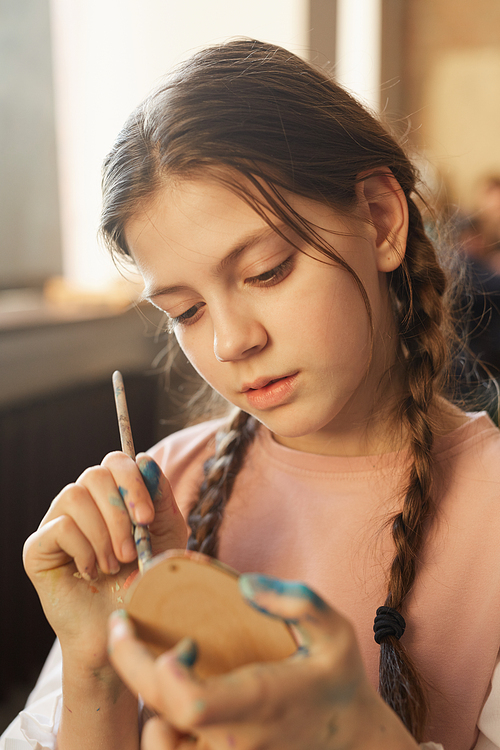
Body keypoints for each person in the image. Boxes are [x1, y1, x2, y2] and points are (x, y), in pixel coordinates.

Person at [2, 38, 500, 750]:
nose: (231, 342)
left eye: (266, 271)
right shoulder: (160, 496)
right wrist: (97, 665)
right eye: (185, 311)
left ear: (381, 219)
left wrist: (357, 733)